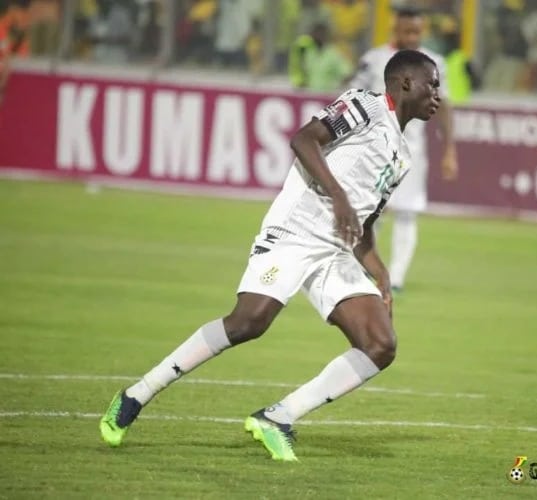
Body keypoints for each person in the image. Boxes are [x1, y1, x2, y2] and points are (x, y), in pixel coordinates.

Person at [99, 49, 443, 462]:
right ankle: (136, 394)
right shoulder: (364, 105)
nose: (438, 94)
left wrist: (381, 275)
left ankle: (277, 417)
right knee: (250, 321)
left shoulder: (402, 155)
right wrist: (337, 196)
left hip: (334, 251)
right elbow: (303, 139)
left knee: (381, 344)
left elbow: (363, 224)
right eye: (432, 83)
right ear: (405, 82)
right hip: (295, 231)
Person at [349, 6, 457, 293]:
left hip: (412, 149)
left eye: (416, 32)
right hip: (371, 148)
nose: (411, 37)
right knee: (371, 210)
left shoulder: (435, 63)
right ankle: (365, 267)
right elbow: (351, 98)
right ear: (394, 29)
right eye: (406, 30)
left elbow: (443, 105)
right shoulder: (373, 60)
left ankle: (395, 279)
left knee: (407, 212)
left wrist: (449, 150)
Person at [288, 21, 352, 92]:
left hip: (326, 95)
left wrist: (338, 87)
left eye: (322, 34)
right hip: (309, 93)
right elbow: (298, 69)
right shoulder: (308, 51)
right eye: (317, 33)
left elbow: (346, 72)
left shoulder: (332, 53)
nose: (319, 36)